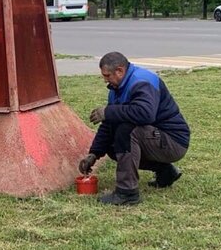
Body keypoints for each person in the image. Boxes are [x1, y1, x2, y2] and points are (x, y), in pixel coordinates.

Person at [78, 52, 191, 206]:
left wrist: (108, 112)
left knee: (126, 132)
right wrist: (94, 153)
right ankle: (165, 171)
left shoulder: (142, 81)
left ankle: (127, 193)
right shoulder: (117, 88)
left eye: (107, 75)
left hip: (174, 142)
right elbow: (110, 124)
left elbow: (146, 114)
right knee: (114, 145)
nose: (105, 80)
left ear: (119, 71)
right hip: (157, 139)